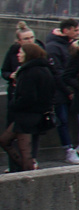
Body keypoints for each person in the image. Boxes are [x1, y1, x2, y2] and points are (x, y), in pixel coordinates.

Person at [0, 42, 53, 171]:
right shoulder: (45, 69)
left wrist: (13, 103)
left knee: (25, 152)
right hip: (36, 115)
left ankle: (28, 173)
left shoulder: (28, 72)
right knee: (5, 141)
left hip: (26, 117)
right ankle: (24, 168)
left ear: (28, 54)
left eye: (21, 52)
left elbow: (27, 97)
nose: (18, 55)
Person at [44, 18, 79, 163]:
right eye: (76, 30)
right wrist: (69, 91)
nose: (78, 33)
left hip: (71, 89)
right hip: (59, 92)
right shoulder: (53, 47)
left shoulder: (69, 45)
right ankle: (68, 150)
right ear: (66, 30)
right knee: (63, 120)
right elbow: (58, 73)